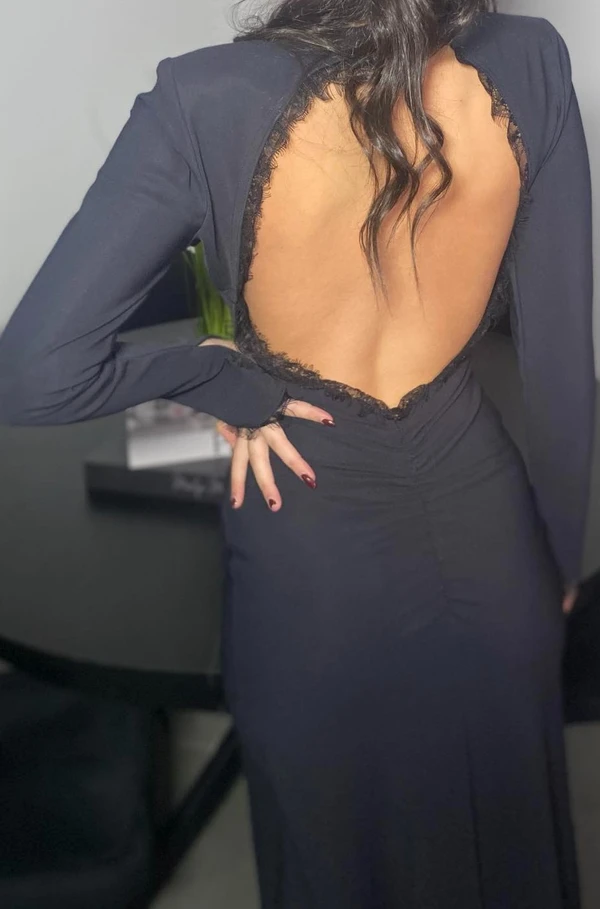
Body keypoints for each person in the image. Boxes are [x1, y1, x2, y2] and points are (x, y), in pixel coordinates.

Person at [0, 1, 595, 905]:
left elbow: (33, 373)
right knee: (504, 854)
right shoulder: (534, 60)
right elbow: (562, 366)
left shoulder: (206, 98)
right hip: (497, 551)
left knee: (339, 867)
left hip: (309, 565)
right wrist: (558, 565)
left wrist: (221, 377)